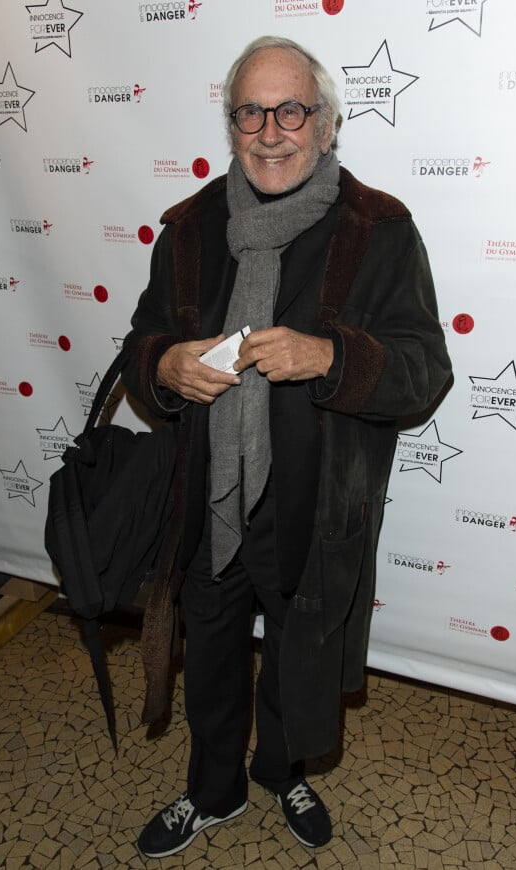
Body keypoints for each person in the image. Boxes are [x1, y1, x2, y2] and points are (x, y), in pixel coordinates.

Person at [122, 35, 452, 859]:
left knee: (300, 656)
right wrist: (163, 363)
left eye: (291, 110)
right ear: (231, 124)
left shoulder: (379, 230)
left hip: (313, 504)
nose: (272, 130)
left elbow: (424, 370)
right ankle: (212, 790)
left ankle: (280, 770)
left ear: (327, 123)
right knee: (213, 651)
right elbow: (143, 337)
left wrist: (331, 357)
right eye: (251, 112)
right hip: (204, 495)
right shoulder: (191, 228)